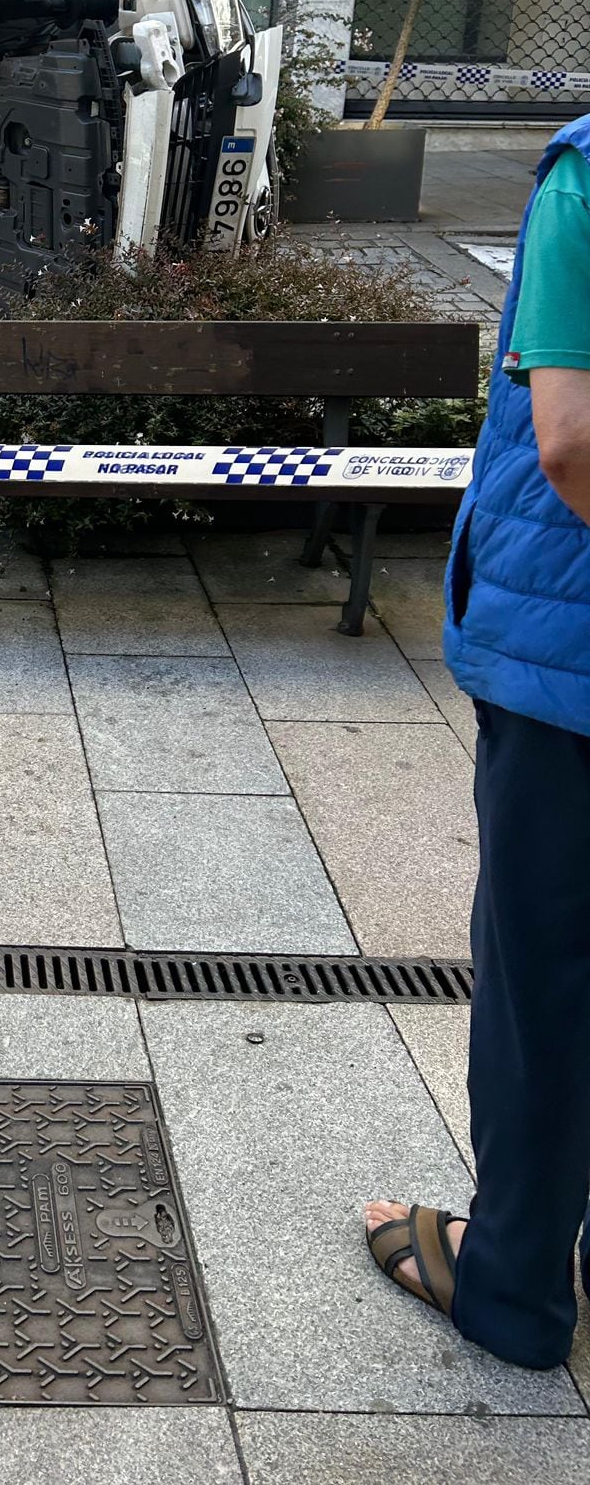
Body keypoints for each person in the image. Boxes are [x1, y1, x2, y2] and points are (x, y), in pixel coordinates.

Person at [365, 112, 590, 1370]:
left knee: (543, 980)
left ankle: (509, 1284)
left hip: (568, 673)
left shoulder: (587, 183)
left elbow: (570, 439)